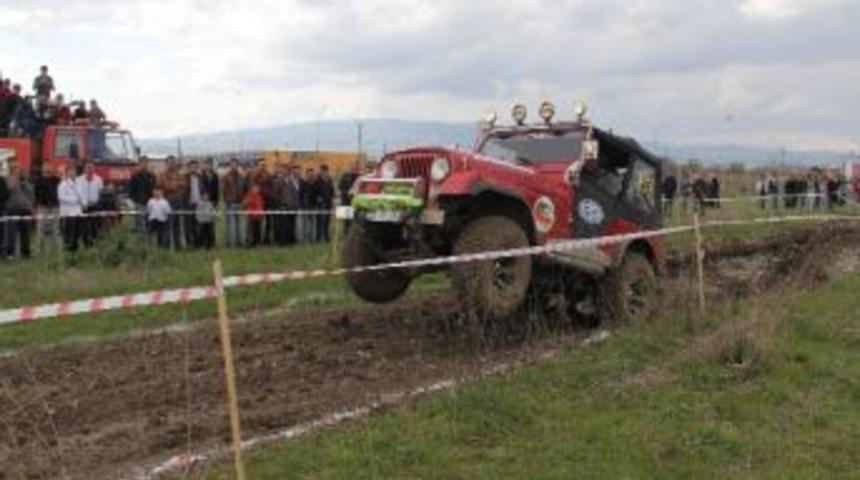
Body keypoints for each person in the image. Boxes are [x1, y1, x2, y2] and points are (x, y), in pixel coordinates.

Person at [3, 162, 35, 258]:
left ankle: (25, 253)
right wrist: (14, 177)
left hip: (25, 209)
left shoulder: (25, 180)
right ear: (11, 169)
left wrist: (31, 208)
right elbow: (10, 187)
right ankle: (10, 253)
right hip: (12, 209)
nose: (17, 169)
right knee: (11, 233)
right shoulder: (7, 179)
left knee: (25, 232)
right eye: (14, 168)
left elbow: (30, 194)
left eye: (18, 168)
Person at [158, 158, 187, 249]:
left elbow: (184, 185)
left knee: (177, 224)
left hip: (177, 200)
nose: (171, 164)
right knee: (167, 224)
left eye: (173, 162)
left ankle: (177, 246)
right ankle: (166, 246)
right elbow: (165, 186)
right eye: (169, 163)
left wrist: (176, 186)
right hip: (167, 201)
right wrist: (176, 185)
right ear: (166, 164)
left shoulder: (179, 174)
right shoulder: (162, 174)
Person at [33, 164, 61, 253]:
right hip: (42, 207)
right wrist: (36, 205)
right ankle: (38, 250)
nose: (47, 168)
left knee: (56, 229)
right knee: (40, 229)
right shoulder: (38, 180)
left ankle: (56, 249)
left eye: (49, 167)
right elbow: (35, 194)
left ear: (52, 168)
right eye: (45, 167)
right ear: (42, 169)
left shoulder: (57, 180)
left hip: (55, 207)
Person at [75, 163, 103, 247]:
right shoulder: (78, 180)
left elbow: (100, 193)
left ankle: (95, 244)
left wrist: (98, 202)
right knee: (84, 228)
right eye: (87, 168)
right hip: (83, 207)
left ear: (94, 169)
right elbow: (76, 194)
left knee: (95, 227)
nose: (89, 170)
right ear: (84, 169)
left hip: (95, 206)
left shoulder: (98, 179)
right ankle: (85, 244)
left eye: (91, 168)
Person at [128, 157, 157, 240]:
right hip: (139, 203)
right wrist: (135, 201)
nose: (144, 165)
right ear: (139, 164)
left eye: (146, 163)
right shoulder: (135, 177)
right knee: (140, 223)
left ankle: (150, 241)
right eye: (142, 163)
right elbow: (131, 191)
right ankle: (141, 243)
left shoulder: (152, 176)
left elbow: (155, 189)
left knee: (150, 223)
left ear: (148, 164)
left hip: (150, 203)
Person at [221, 158, 247, 247]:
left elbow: (245, 189)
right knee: (230, 224)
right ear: (230, 165)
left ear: (237, 165)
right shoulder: (225, 176)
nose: (234, 166)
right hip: (230, 203)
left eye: (235, 164)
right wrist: (228, 201)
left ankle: (240, 241)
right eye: (232, 164)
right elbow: (223, 191)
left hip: (240, 203)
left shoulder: (242, 176)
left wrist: (244, 201)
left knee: (241, 224)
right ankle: (230, 242)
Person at [57, 168, 84, 253]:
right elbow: (61, 197)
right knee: (69, 236)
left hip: (78, 213)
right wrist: (74, 200)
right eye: (70, 171)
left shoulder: (78, 184)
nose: (72, 173)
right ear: (67, 173)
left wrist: (81, 201)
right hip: (67, 213)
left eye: (74, 171)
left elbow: (81, 196)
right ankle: (68, 252)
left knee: (77, 235)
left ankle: (75, 252)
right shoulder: (63, 184)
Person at [184, 160, 203, 248]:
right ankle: (189, 243)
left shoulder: (200, 177)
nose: (193, 168)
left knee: (198, 225)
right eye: (191, 166)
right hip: (188, 204)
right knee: (188, 225)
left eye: (195, 166)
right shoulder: (185, 177)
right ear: (189, 167)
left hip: (198, 204)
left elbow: (203, 189)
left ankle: (197, 243)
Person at [316, 164, 335, 242]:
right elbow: (315, 191)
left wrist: (332, 199)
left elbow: (332, 191)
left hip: (328, 203)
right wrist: (318, 197)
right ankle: (319, 237)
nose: (324, 172)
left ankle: (326, 236)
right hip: (321, 203)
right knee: (320, 220)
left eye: (325, 171)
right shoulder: (318, 180)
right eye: (323, 171)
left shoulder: (330, 180)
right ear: (321, 171)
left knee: (327, 221)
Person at [300, 168, 319, 242]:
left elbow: (317, 194)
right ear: (306, 175)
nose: (310, 176)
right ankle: (304, 237)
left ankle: (311, 237)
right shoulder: (303, 183)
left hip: (313, 206)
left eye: (311, 174)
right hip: (305, 206)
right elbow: (300, 195)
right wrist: (301, 204)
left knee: (313, 222)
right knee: (304, 222)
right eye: (309, 174)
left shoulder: (315, 184)